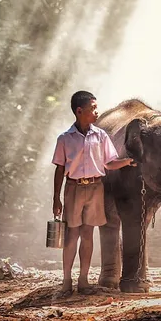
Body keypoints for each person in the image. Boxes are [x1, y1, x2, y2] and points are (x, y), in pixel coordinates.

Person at [52, 90, 136, 295]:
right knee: (72, 235)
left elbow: (109, 163)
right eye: (93, 109)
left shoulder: (100, 136)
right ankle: (66, 280)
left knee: (88, 234)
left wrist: (126, 161)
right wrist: (56, 197)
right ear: (79, 111)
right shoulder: (65, 138)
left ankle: (83, 280)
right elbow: (60, 169)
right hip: (73, 188)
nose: (96, 113)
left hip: (96, 187)